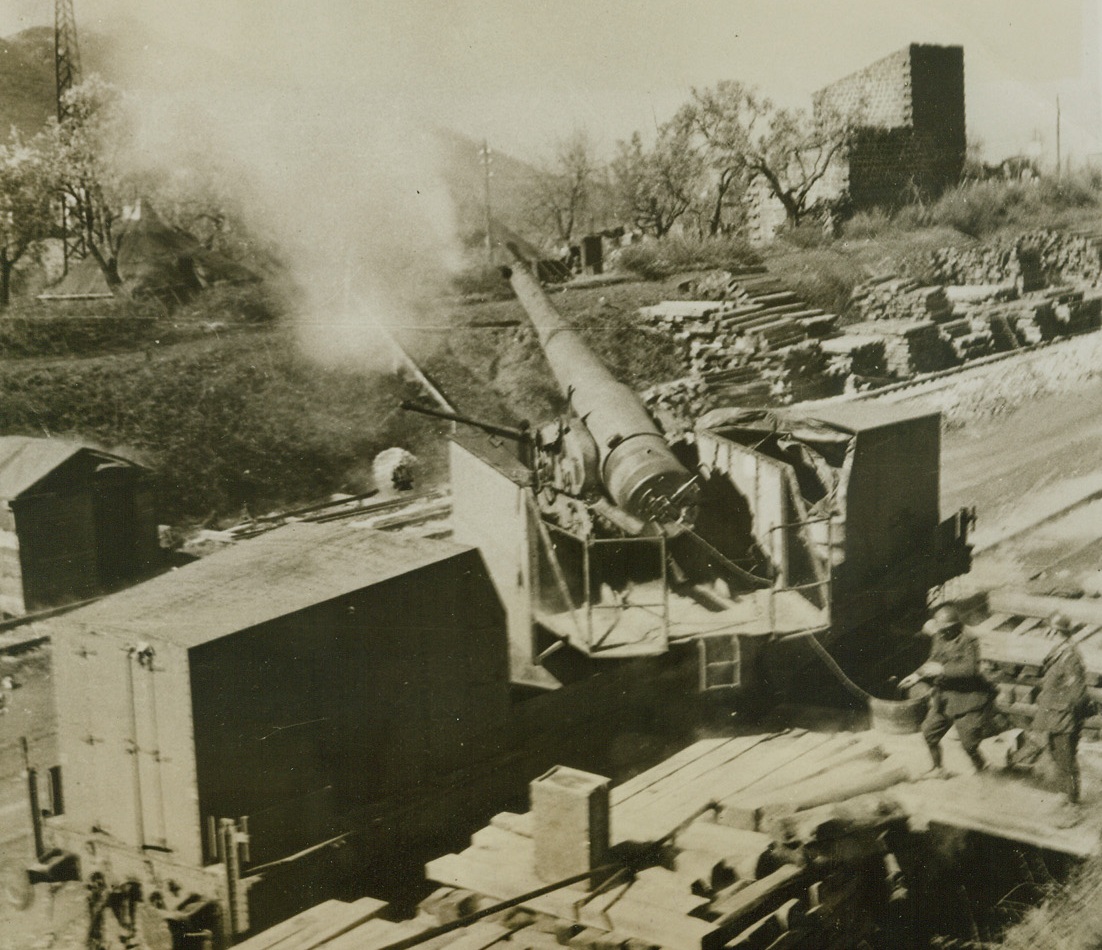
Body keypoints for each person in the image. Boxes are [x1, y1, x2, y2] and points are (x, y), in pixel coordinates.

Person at [900, 603, 992, 774]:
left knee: (969, 744)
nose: (944, 633)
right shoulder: (940, 636)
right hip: (944, 698)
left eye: (948, 629)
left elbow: (971, 669)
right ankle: (938, 768)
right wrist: (917, 675)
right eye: (941, 630)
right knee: (929, 733)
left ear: (957, 626)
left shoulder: (968, 640)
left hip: (967, 699)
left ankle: (982, 767)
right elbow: (934, 659)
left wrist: (942, 670)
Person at [1034, 611, 1089, 815]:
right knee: (1058, 757)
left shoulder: (1070, 656)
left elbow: (1078, 694)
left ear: (1055, 631)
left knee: (1067, 762)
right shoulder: (1059, 650)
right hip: (1055, 716)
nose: (1044, 631)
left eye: (1047, 628)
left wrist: (1069, 718)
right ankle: (1068, 797)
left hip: (1064, 718)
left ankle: (1074, 805)